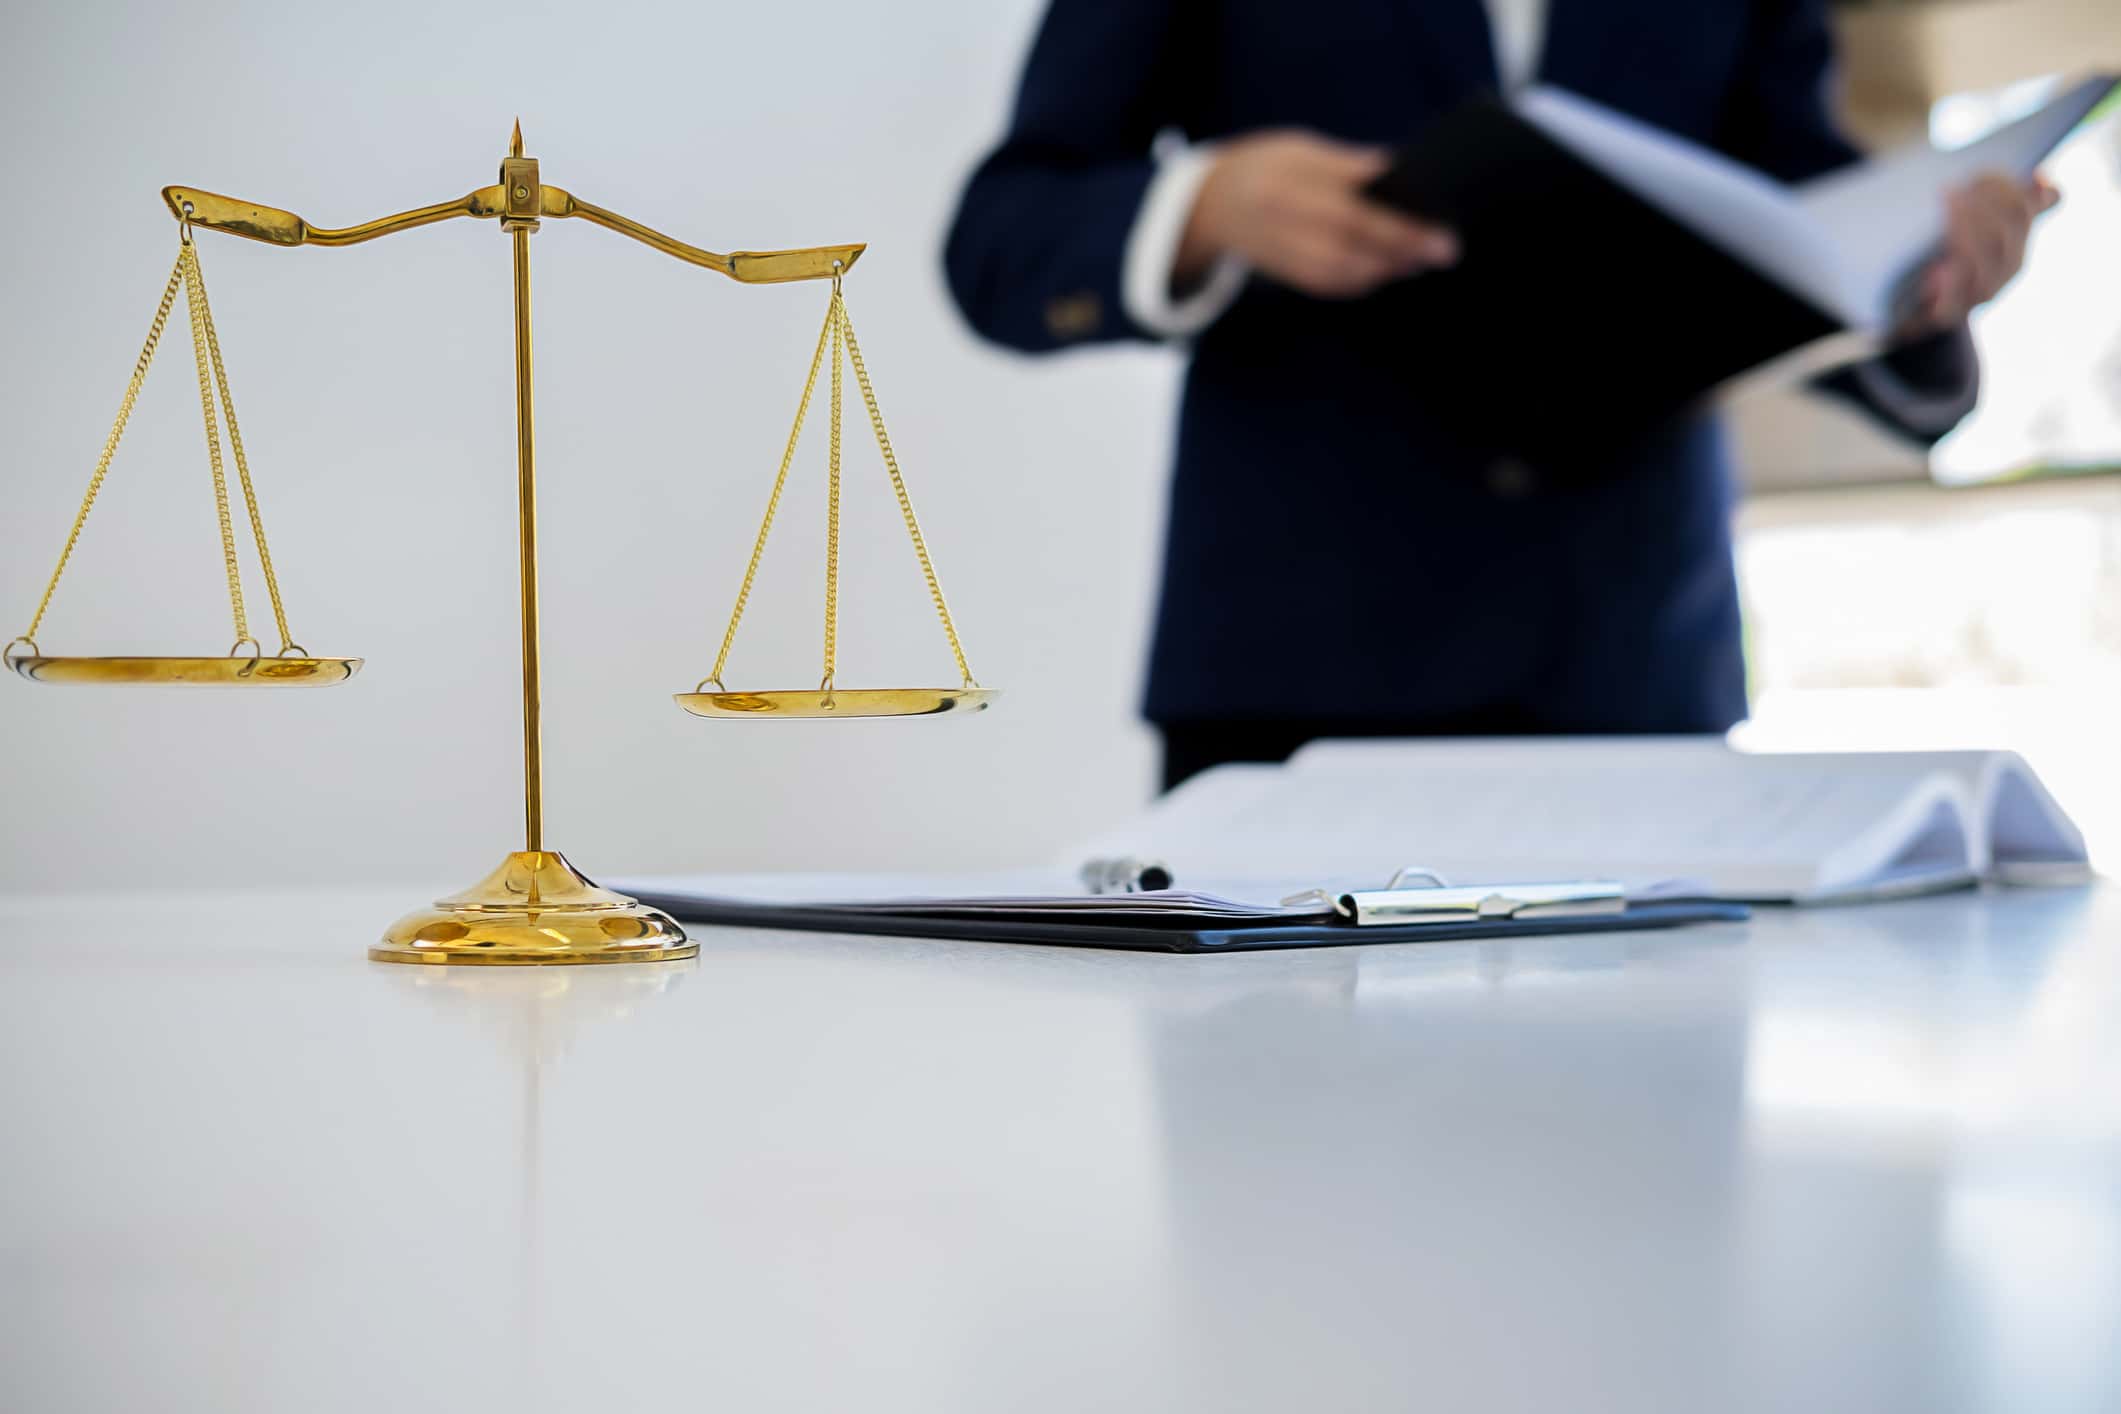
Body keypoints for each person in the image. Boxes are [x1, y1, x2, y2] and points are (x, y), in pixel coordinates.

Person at [942, 0, 2055, 789]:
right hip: (1300, 672)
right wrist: (1204, 204)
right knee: (1286, 1117)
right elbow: (1001, 242)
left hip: (1636, 673)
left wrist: (1922, 279)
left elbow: (1801, 232)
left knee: (1642, 1122)